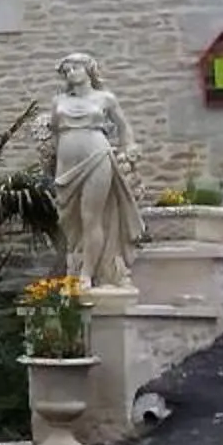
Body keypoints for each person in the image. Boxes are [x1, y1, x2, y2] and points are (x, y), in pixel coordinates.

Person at [47, 52, 143, 290]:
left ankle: (87, 274)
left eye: (75, 68)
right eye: (67, 71)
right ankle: (75, 264)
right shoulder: (58, 102)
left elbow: (124, 127)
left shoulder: (105, 98)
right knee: (69, 219)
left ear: (89, 69)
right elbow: (55, 134)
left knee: (91, 217)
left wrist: (128, 148)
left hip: (97, 155)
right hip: (66, 163)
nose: (71, 73)